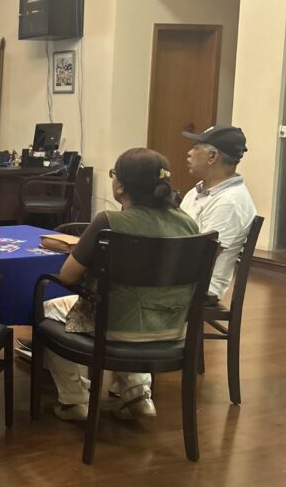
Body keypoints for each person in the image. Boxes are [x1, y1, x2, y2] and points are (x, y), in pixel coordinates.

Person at [43, 148, 198, 422]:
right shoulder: (188, 224)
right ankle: (138, 392)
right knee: (128, 308)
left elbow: (67, 277)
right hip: (173, 327)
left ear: (120, 187)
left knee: (48, 308)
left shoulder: (109, 222)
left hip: (114, 326)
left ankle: (74, 400)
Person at [179, 126, 257, 307]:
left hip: (200, 286)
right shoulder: (199, 190)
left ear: (212, 157)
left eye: (196, 148)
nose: (189, 153)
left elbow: (204, 256)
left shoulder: (230, 201)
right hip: (183, 277)